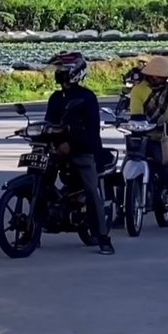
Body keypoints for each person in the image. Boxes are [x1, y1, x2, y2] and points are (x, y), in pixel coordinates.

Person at [45, 51, 115, 255]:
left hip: (83, 151)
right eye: (58, 70)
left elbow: (92, 130)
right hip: (58, 150)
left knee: (92, 190)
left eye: (63, 70)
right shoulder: (56, 98)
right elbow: (49, 123)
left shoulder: (87, 97)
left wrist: (71, 143)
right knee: (42, 180)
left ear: (75, 72)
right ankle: (33, 230)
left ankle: (104, 238)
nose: (59, 74)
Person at [129, 55, 168, 234]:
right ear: (151, 75)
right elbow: (135, 113)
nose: (163, 79)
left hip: (161, 138)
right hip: (141, 137)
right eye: (160, 76)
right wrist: (139, 124)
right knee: (126, 170)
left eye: (164, 76)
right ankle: (124, 212)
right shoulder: (138, 90)